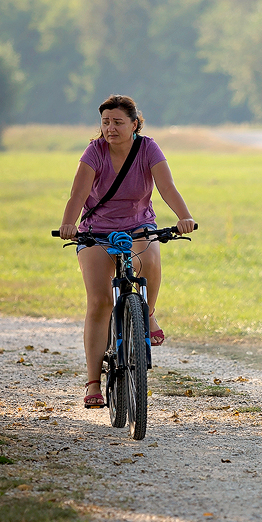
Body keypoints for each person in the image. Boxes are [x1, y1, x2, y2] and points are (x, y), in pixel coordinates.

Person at [58, 94, 195, 409]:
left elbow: (166, 187)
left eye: (118, 122)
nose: (110, 128)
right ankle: (93, 381)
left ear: (135, 124)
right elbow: (78, 193)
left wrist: (183, 217)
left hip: (138, 227)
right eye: (105, 122)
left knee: (150, 259)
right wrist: (68, 224)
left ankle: (146, 314)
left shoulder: (148, 148)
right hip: (96, 231)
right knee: (99, 301)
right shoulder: (95, 152)